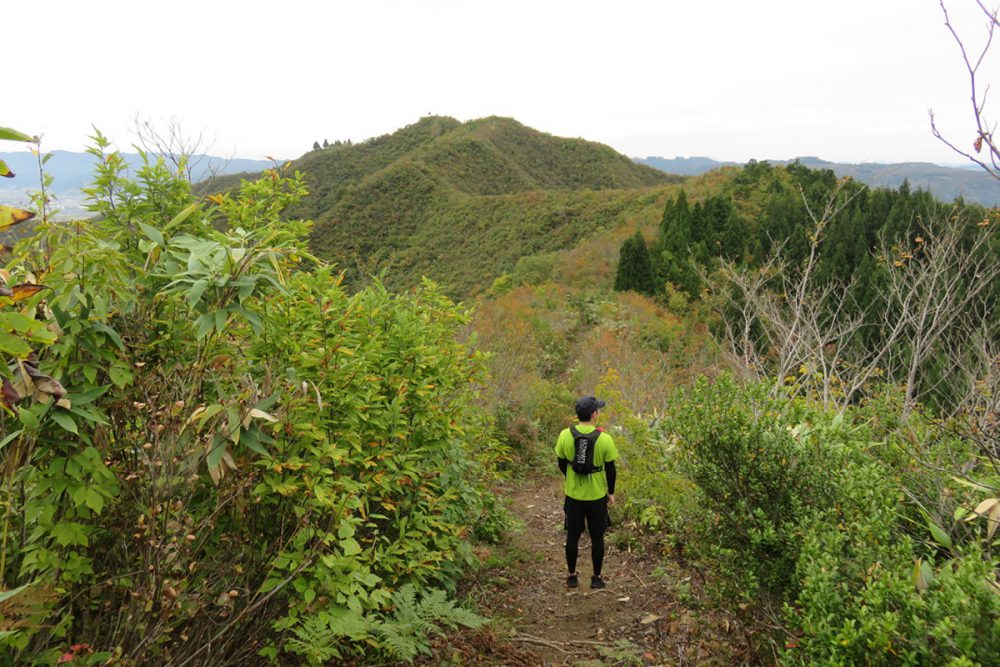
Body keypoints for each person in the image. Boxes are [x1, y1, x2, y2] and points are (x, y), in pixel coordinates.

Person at [555, 396, 618, 589]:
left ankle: (572, 576)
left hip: (574, 496)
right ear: (594, 414)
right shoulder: (605, 438)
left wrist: (571, 478)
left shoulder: (565, 435)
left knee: (572, 535)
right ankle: (597, 578)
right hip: (597, 497)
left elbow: (561, 463)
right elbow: (611, 469)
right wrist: (611, 492)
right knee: (597, 537)